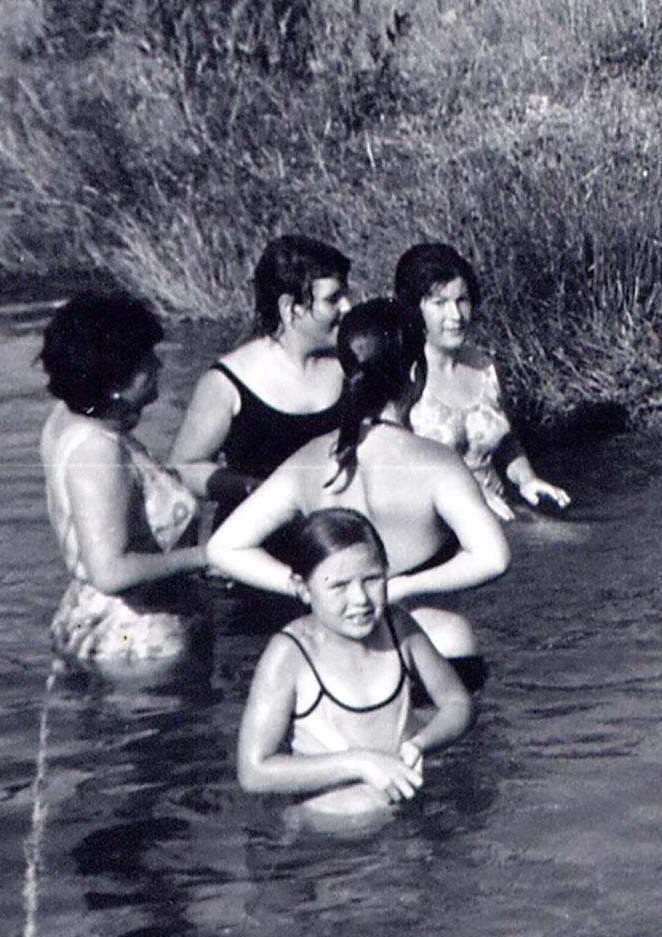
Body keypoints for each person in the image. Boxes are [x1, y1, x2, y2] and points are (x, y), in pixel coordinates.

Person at [207, 298, 510, 660]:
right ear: (416, 374)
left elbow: (223, 549)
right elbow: (494, 557)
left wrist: (310, 589)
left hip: (341, 662)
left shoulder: (308, 460)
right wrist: (400, 587)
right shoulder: (436, 462)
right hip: (434, 647)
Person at [235, 508, 473, 827]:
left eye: (372, 579)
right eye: (339, 586)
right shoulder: (290, 654)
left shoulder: (398, 627)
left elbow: (457, 703)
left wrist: (421, 742)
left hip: (407, 817)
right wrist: (361, 763)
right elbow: (254, 771)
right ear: (303, 588)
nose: (360, 598)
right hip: (329, 842)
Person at [39, 291, 210, 683]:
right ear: (115, 381)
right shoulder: (100, 451)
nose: (159, 365)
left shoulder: (66, 420)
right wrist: (209, 557)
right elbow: (111, 571)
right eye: (148, 361)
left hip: (93, 620)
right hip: (138, 641)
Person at [169, 235, 353, 515]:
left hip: (337, 537)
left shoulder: (350, 367)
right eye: (333, 299)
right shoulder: (227, 381)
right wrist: (260, 490)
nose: (347, 307)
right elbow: (184, 467)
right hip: (254, 542)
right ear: (290, 308)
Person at [393, 242, 570, 521]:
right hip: (436, 522)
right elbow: (391, 466)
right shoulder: (401, 376)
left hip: (500, 511)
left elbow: (507, 443)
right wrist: (468, 495)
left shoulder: (486, 367)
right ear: (415, 308)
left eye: (462, 300)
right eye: (440, 303)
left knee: (583, 539)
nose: (455, 316)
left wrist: (527, 479)